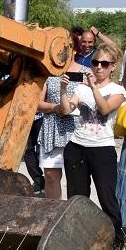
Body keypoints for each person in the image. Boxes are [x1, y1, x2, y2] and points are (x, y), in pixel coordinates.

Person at [58, 45, 126, 250]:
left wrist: (93, 86)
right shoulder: (80, 88)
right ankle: (79, 239)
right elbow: (66, 110)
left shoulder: (118, 90)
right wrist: (62, 91)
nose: (98, 67)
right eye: (95, 63)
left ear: (112, 67)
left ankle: (118, 243)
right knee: (77, 198)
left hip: (103, 149)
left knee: (107, 198)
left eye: (104, 64)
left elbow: (105, 109)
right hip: (77, 146)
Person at [36, 61, 85, 200]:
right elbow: (37, 102)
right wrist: (55, 107)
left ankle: (74, 215)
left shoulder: (85, 71)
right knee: (51, 176)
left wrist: (69, 108)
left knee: (76, 179)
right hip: (51, 129)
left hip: (76, 130)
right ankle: (53, 212)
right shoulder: (47, 71)